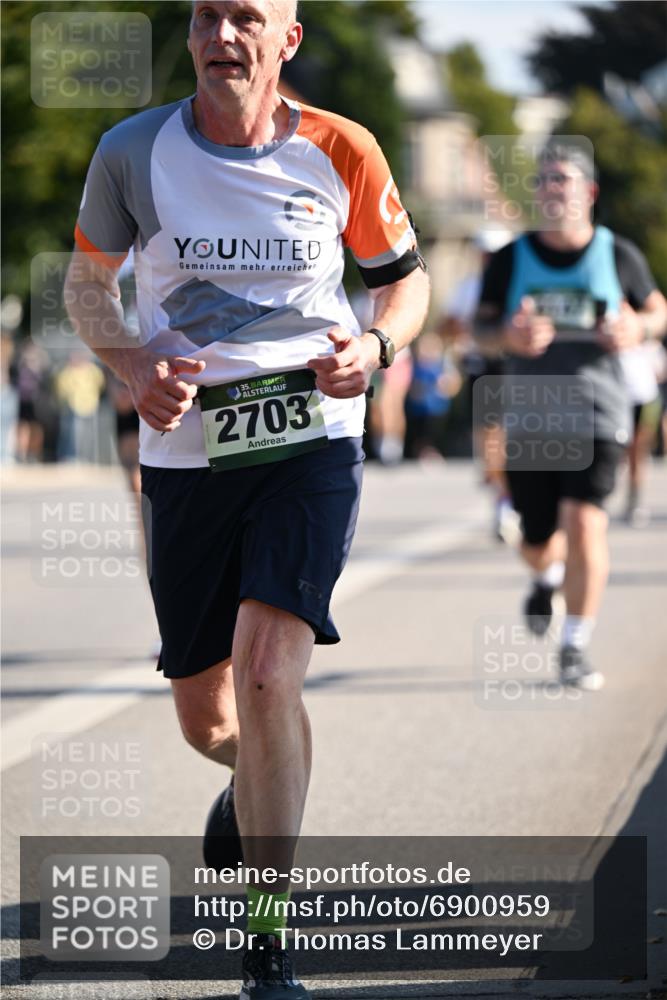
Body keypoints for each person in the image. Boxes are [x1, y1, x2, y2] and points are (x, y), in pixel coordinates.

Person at [64, 2, 430, 996]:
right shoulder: (133, 151)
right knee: (208, 715)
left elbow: (404, 283)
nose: (222, 35)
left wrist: (375, 347)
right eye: (207, 16)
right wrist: (132, 364)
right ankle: (254, 781)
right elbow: (87, 285)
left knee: (270, 674)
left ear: (287, 40)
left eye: (246, 18)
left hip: (311, 438)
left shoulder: (341, 148)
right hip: (185, 452)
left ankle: (267, 941)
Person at [475, 142, 667, 689]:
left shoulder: (617, 253)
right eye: (543, 180)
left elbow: (658, 311)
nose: (552, 189)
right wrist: (507, 335)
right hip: (532, 415)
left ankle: (575, 645)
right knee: (535, 539)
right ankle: (548, 577)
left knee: (585, 523)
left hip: (598, 410)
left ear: (590, 191)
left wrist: (636, 328)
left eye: (563, 178)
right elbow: (480, 329)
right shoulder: (511, 258)